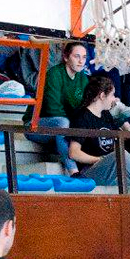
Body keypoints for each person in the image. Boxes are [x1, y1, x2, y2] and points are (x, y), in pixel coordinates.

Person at [25, 42, 89, 176]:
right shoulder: (54, 74)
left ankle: (87, 168)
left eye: (84, 57)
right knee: (63, 123)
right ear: (66, 57)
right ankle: (73, 171)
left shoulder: (83, 79)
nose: (81, 61)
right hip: (35, 125)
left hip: (60, 131)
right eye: (76, 56)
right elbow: (54, 109)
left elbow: (84, 108)